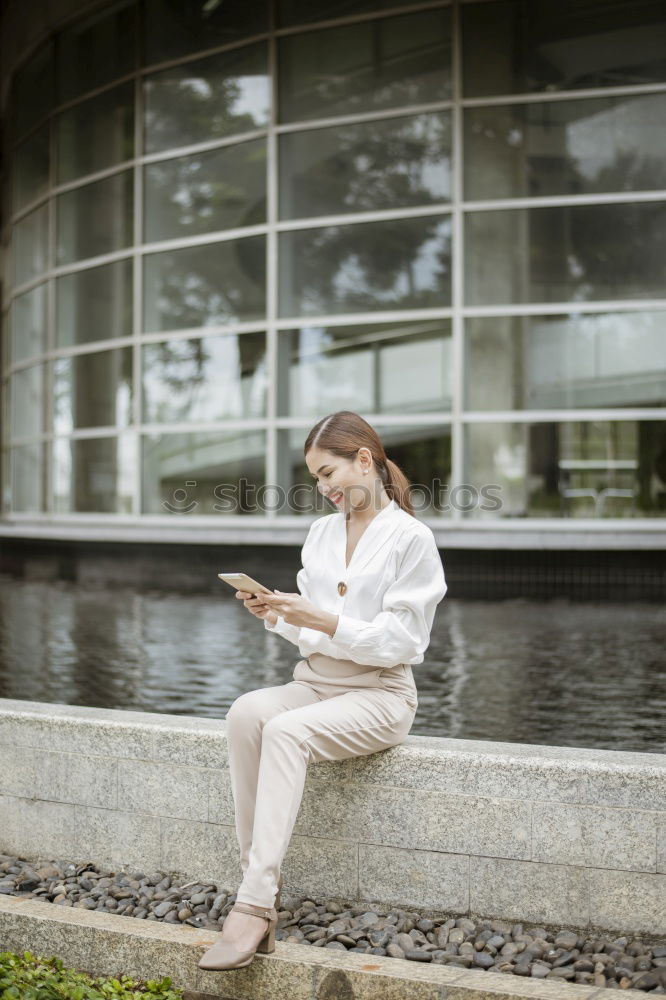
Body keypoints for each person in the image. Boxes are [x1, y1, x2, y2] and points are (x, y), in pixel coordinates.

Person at [198, 410, 447, 971]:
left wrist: (325, 620)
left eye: (327, 472)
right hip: (315, 682)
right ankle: (259, 883)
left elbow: (403, 642)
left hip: (381, 695)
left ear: (365, 461)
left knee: (285, 731)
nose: (323, 487)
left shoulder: (413, 538)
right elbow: (311, 630)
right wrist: (276, 613)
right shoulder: (320, 533)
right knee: (245, 713)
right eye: (314, 477)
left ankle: (254, 905)